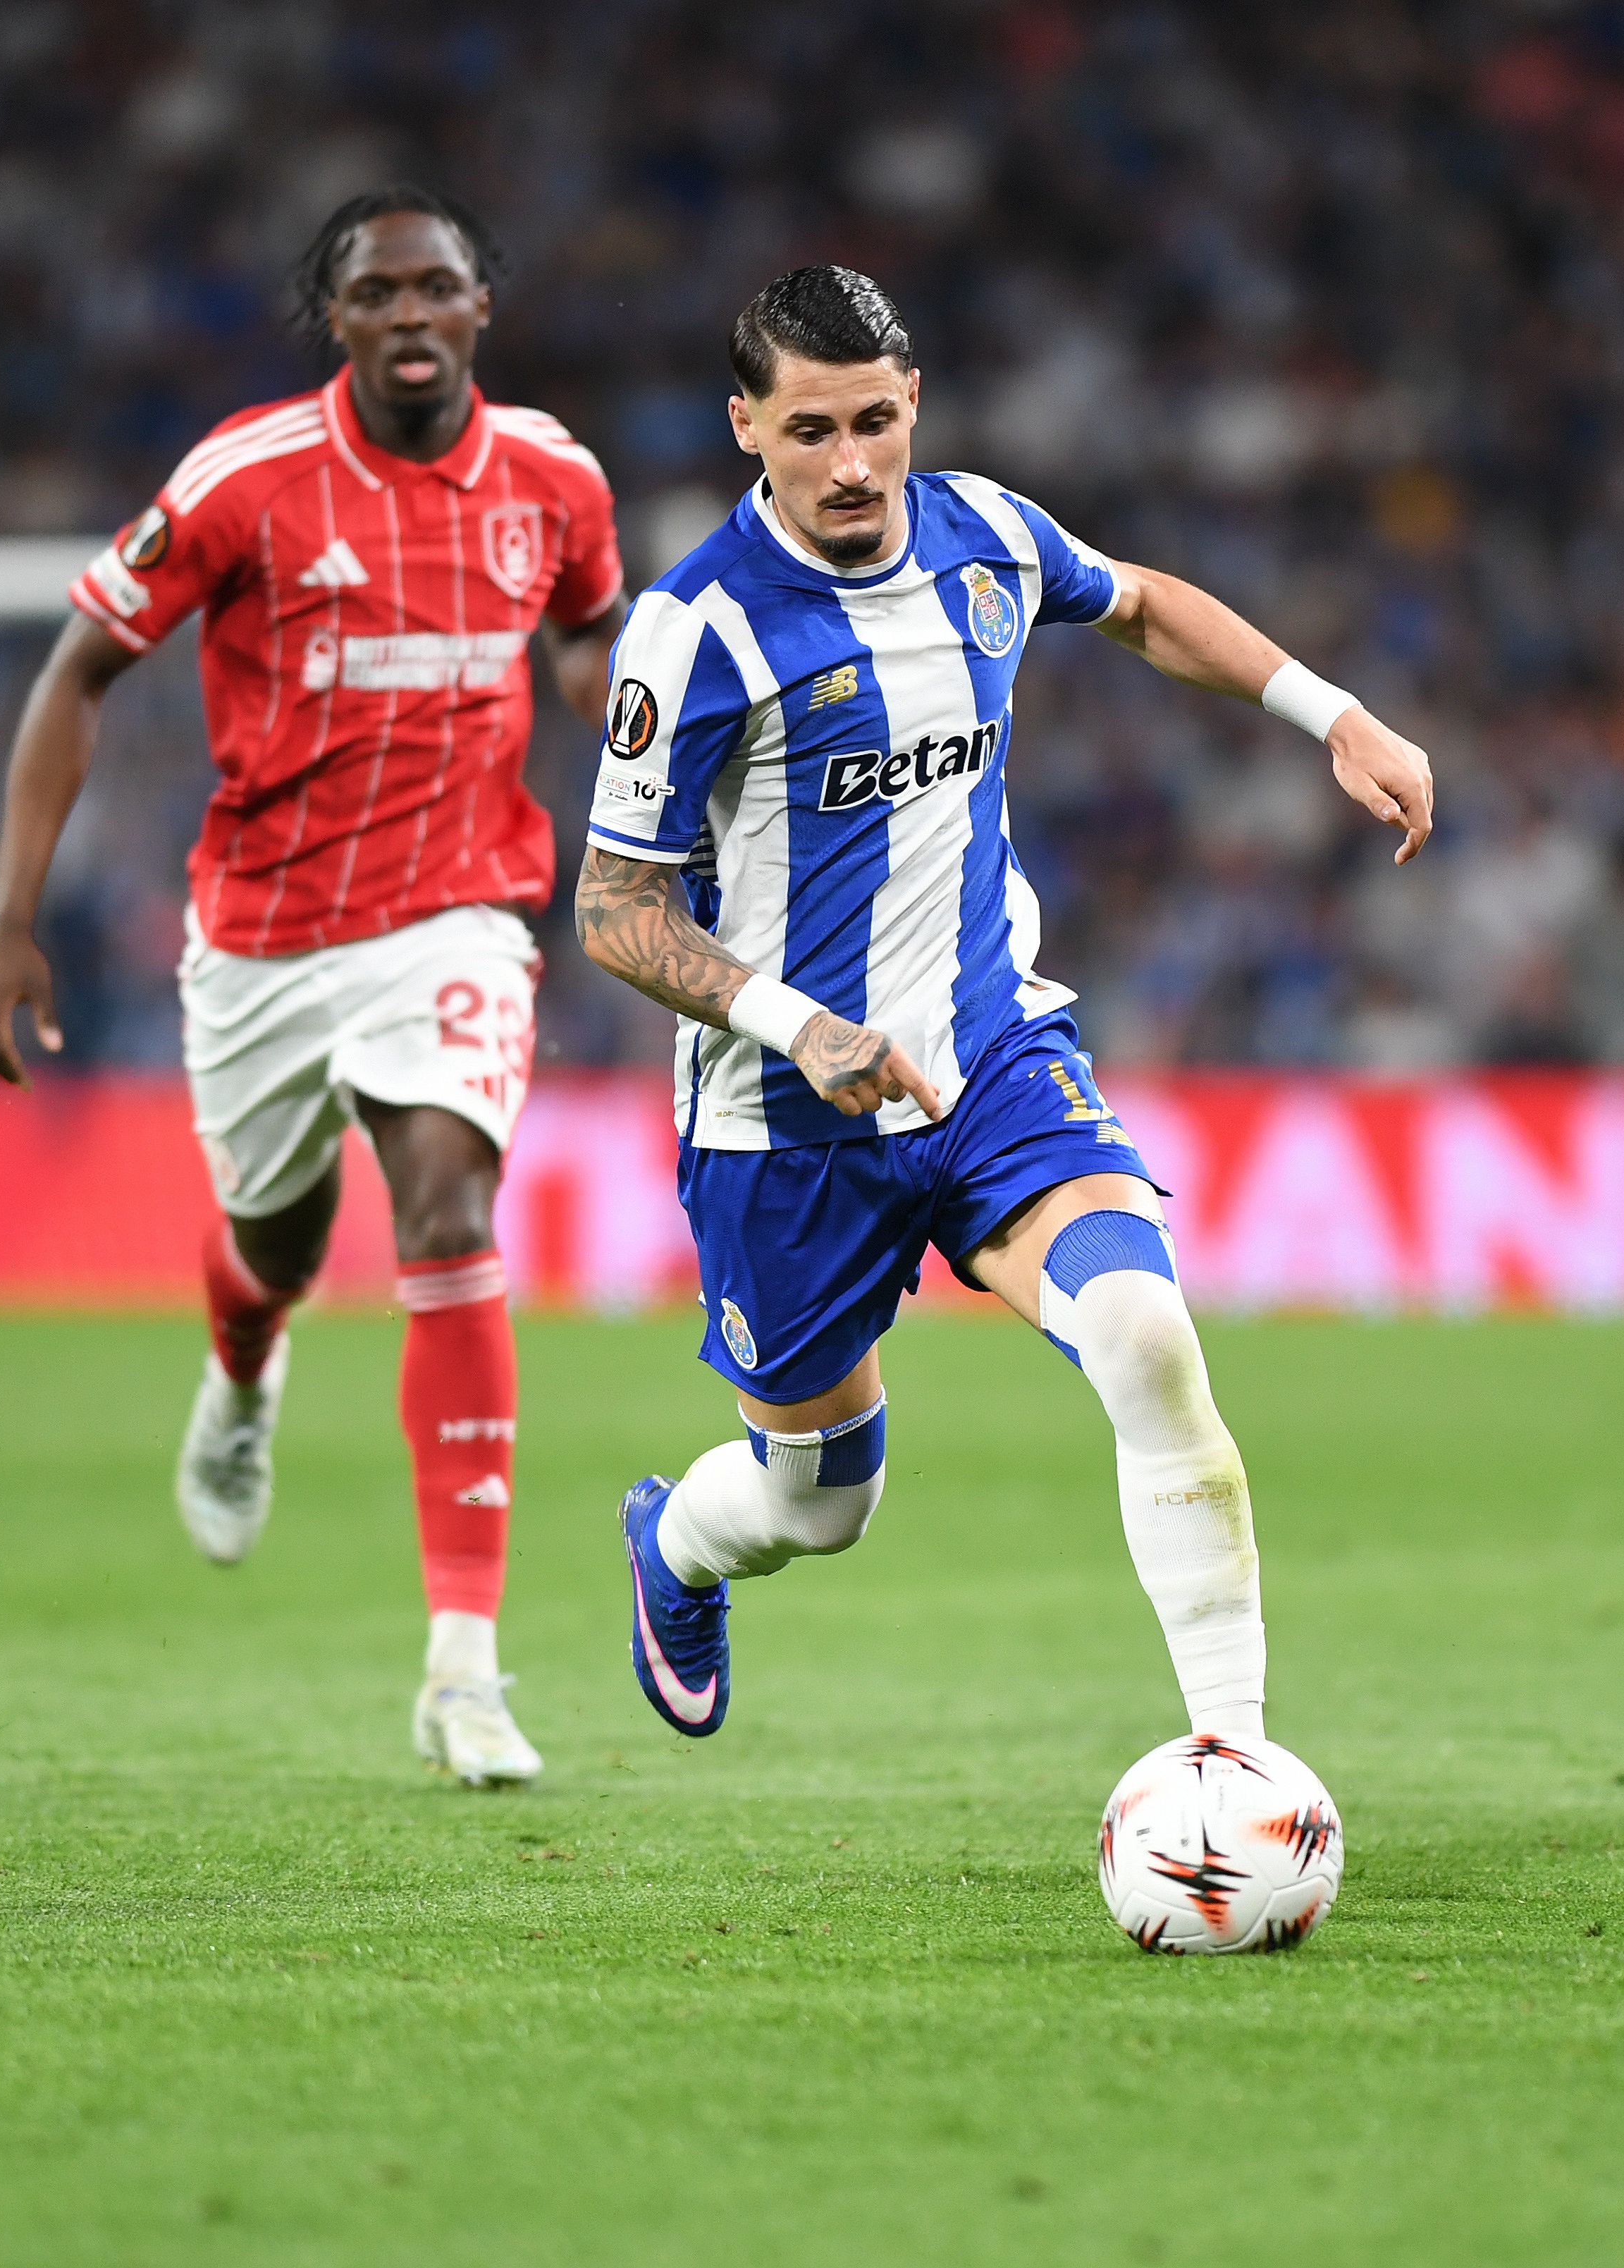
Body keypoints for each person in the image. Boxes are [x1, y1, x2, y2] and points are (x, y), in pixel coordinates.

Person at [574, 266, 1434, 1742]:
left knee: (1147, 1334)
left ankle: (1238, 1761)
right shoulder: (695, 630)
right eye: (807, 432)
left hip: (990, 1057)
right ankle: (674, 1543)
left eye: (872, 422)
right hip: (785, 1118)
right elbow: (614, 908)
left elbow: (1144, 605)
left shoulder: (982, 532)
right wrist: (798, 1025)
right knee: (822, 1500)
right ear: (745, 430)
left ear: (913, 400)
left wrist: (1332, 714)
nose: (850, 464)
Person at [0, 187, 622, 1787]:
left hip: (462, 909)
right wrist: (9, 919)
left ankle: (463, 1667)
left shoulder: (557, 480)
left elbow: (597, 639)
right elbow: (79, 671)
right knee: (277, 1237)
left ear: (483, 305)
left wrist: (638, 784)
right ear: (334, 319)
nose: (409, 312)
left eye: (438, 286)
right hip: (264, 933)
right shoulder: (243, 483)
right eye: (375, 289)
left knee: (452, 1211)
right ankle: (243, 1368)